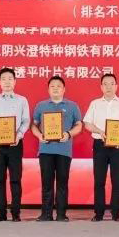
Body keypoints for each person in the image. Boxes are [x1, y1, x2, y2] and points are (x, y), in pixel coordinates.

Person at [31, 75, 84, 222]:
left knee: (62, 183)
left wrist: (69, 134)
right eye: (52, 86)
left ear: (64, 89)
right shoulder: (41, 106)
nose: (55, 88)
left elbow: (79, 125)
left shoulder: (72, 106)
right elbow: (34, 125)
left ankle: (61, 214)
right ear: (48, 89)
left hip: (64, 151)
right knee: (46, 183)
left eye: (58, 86)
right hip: (45, 150)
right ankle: (46, 214)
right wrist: (39, 135)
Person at [83, 73, 119, 222]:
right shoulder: (95, 103)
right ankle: (98, 213)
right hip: (100, 144)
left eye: (112, 83)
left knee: (117, 180)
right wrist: (100, 131)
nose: (108, 87)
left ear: (116, 86)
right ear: (101, 87)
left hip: (117, 145)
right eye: (105, 84)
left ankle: (116, 213)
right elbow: (87, 124)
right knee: (99, 180)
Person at [0, 67, 30, 222]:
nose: (7, 82)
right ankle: (1, 212)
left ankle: (16, 212)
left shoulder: (22, 100)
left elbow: (26, 121)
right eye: (3, 79)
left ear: (15, 81)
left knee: (15, 179)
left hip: (15, 144)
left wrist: (19, 135)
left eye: (10, 79)